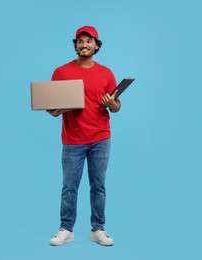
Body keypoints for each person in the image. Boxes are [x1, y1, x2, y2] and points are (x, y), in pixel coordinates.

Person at [48, 26, 121, 246]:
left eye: (89, 41)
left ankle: (98, 229)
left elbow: (116, 107)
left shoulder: (106, 73)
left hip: (100, 137)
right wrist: (62, 109)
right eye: (80, 41)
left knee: (98, 185)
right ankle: (66, 229)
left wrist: (112, 103)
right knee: (69, 186)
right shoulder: (61, 72)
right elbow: (51, 110)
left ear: (96, 46)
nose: (84, 45)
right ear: (76, 45)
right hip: (73, 138)